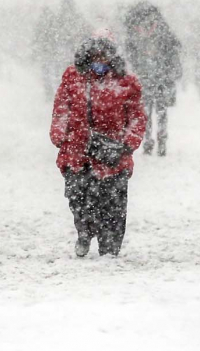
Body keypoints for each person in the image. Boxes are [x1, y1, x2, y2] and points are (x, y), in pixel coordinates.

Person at [50, 33, 146, 257]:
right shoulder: (73, 78)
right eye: (95, 57)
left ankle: (110, 249)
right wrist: (59, 134)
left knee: (113, 206)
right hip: (77, 153)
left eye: (104, 57)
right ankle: (85, 231)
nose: (99, 62)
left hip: (113, 155)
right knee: (78, 199)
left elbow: (137, 117)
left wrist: (127, 143)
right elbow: (62, 109)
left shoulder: (126, 82)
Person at [123, 1, 182, 157]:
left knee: (146, 112)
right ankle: (160, 141)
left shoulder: (134, 32)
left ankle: (149, 142)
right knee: (159, 111)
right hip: (159, 77)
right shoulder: (163, 30)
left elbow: (130, 55)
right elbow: (175, 50)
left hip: (145, 78)